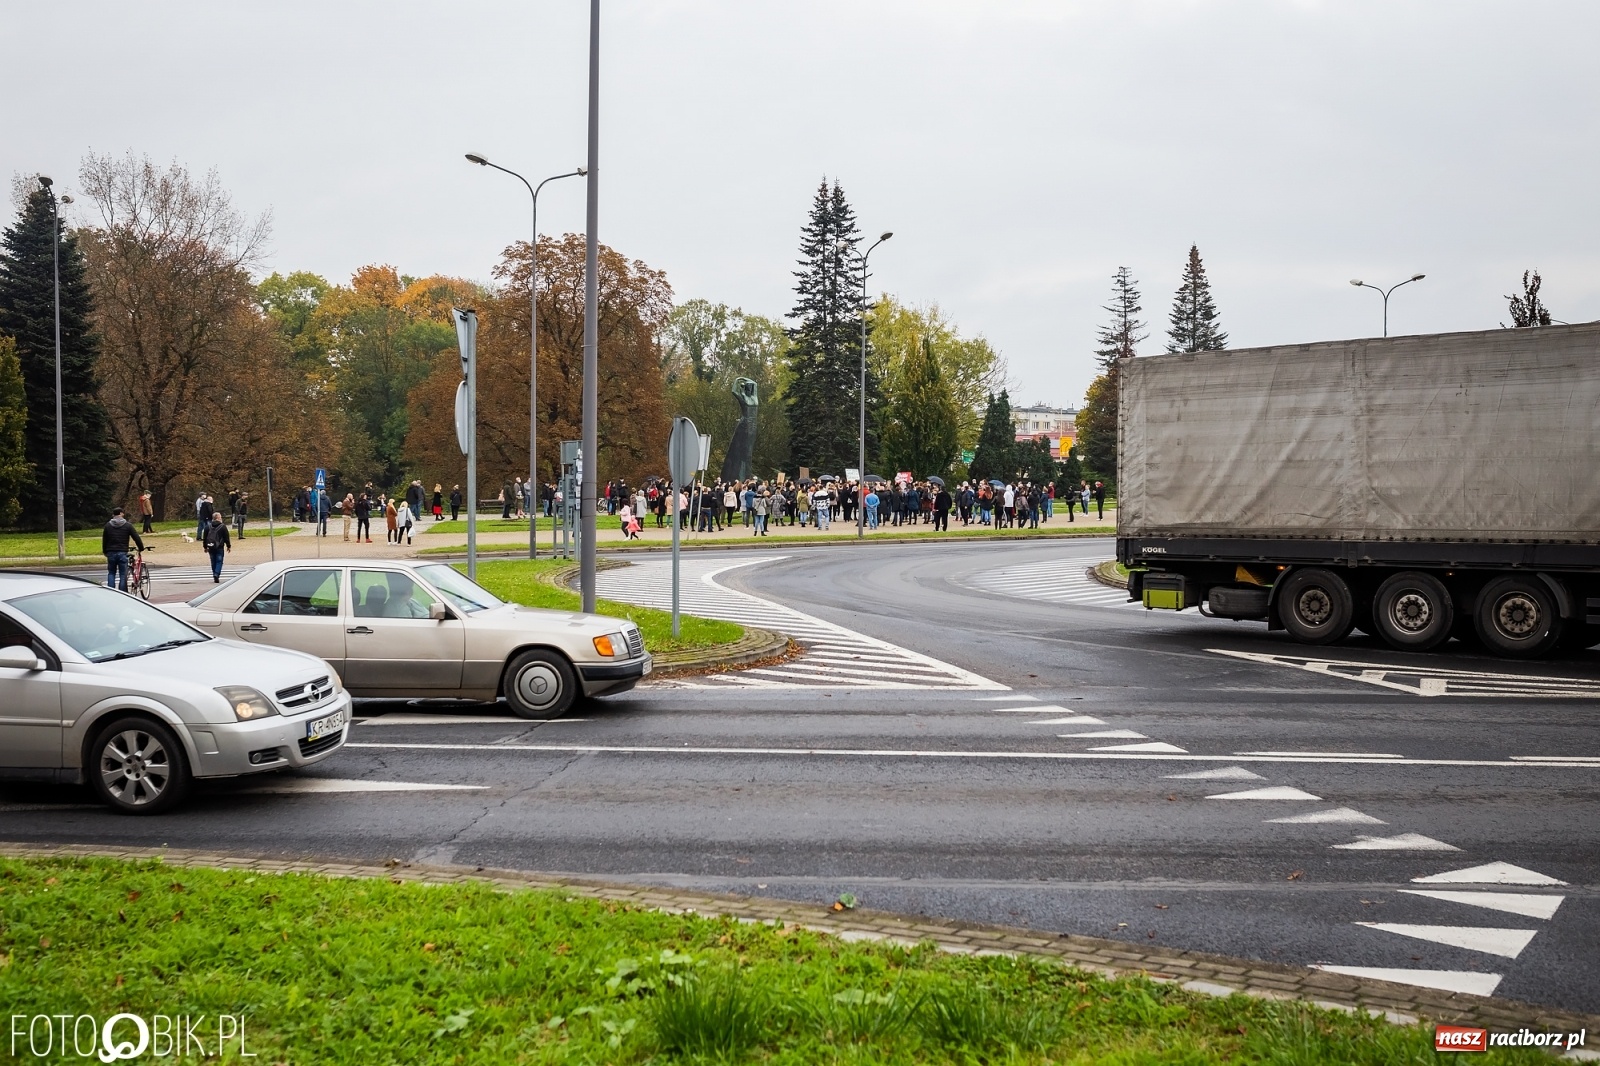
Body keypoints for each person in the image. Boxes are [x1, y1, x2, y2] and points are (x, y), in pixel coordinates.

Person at [102, 506, 145, 591]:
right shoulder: (127, 525)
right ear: (121, 514)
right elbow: (136, 537)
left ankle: (111, 591)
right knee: (123, 574)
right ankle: (122, 592)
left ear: (113, 515)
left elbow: (105, 540)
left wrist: (105, 551)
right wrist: (141, 547)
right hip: (122, 551)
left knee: (111, 573)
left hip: (111, 551)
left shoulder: (108, 525)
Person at [201, 510, 231, 583]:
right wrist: (228, 546)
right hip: (219, 546)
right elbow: (226, 537)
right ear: (218, 518)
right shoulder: (223, 526)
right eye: (220, 517)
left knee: (213, 561)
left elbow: (205, 538)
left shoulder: (207, 527)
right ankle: (216, 574)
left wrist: (205, 547)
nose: (221, 518)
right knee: (219, 561)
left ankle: (214, 573)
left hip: (210, 546)